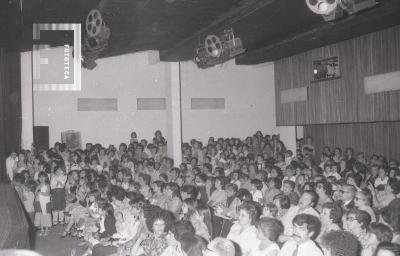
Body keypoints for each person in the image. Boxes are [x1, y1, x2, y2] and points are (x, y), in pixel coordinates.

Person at [34, 171, 52, 236]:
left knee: (46, 215)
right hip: (39, 202)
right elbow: (35, 194)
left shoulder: (47, 185)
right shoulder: (38, 185)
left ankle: (46, 229)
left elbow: (47, 194)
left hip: (46, 203)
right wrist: (37, 189)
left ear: (46, 178)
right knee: (40, 216)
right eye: (40, 177)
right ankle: (42, 229)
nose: (41, 178)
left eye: (43, 177)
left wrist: (40, 193)